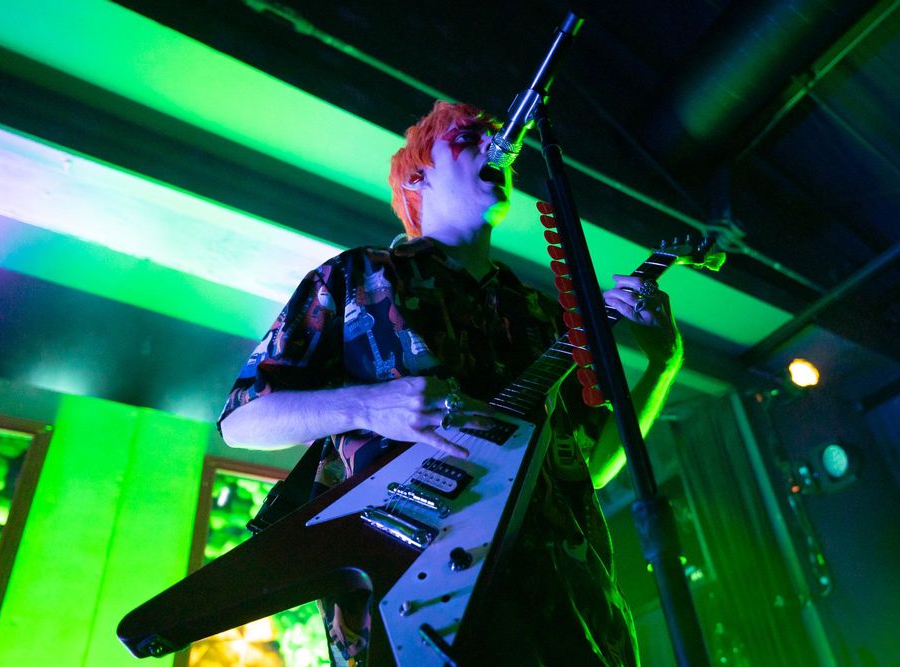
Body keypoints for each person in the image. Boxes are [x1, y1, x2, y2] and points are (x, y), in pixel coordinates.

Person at [218, 100, 683, 666]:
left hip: (572, 615)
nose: (497, 149)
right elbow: (242, 422)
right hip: (414, 604)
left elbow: (589, 464)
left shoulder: (543, 317)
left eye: (500, 142)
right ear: (418, 177)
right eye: (468, 139)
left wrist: (663, 366)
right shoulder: (359, 277)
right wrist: (370, 406)